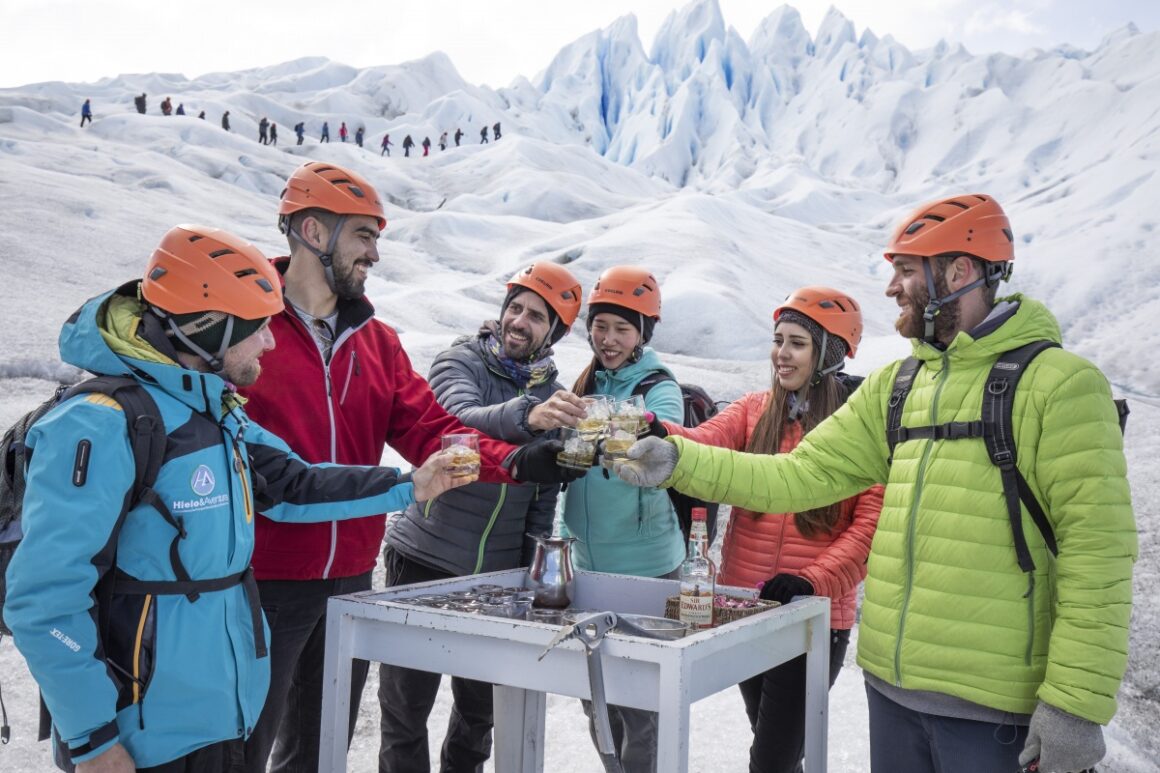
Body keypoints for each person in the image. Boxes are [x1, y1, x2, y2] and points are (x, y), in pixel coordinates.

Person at [614, 194, 1137, 773]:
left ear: (958, 272)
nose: (892, 288)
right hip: (892, 693)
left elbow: (1097, 553)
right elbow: (799, 475)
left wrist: (1075, 705)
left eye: (906, 270)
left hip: (996, 710)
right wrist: (677, 460)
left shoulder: (1062, 386)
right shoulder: (899, 385)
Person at [4, 223, 474, 772]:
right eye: (258, 328)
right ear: (209, 328)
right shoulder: (102, 424)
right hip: (141, 741)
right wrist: (93, 740)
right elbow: (45, 598)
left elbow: (293, 483)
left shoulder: (214, 410)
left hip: (222, 720)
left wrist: (412, 485)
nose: (271, 342)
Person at [233, 161, 578, 773]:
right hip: (263, 576)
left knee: (320, 751)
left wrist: (517, 461)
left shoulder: (378, 342)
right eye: (364, 235)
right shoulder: (247, 333)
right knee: (241, 750)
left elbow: (430, 430)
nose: (374, 253)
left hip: (348, 580)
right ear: (314, 231)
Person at [660, 286, 882, 773]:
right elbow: (703, 443)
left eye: (797, 343)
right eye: (778, 340)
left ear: (829, 353)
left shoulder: (860, 430)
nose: (781, 353)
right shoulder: (754, 410)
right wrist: (656, 432)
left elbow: (868, 532)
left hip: (811, 617)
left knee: (771, 761)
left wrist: (810, 581)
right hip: (747, 607)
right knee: (776, 753)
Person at [378, 262, 588, 773]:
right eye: (515, 308)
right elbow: (453, 422)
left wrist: (531, 576)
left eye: (536, 316)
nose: (519, 321)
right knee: (405, 710)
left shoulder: (554, 397)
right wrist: (527, 417)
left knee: (478, 716)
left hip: (496, 578)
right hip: (425, 558)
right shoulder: (461, 360)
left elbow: (543, 496)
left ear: (554, 332)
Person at [559, 265, 684, 773]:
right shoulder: (586, 380)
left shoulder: (658, 385)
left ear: (643, 334)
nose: (608, 339)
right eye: (600, 326)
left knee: (641, 706)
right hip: (586, 565)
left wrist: (616, 422)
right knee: (595, 698)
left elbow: (669, 432)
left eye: (622, 329)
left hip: (648, 567)